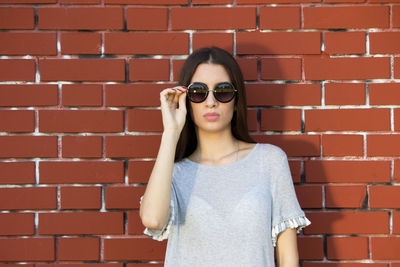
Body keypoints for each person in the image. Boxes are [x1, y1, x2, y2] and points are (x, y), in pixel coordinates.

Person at [139, 47, 310, 267]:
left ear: (236, 100)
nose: (211, 102)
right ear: (187, 100)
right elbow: (153, 220)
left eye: (223, 91)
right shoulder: (173, 173)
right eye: (199, 92)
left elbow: (288, 259)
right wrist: (171, 132)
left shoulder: (269, 161)